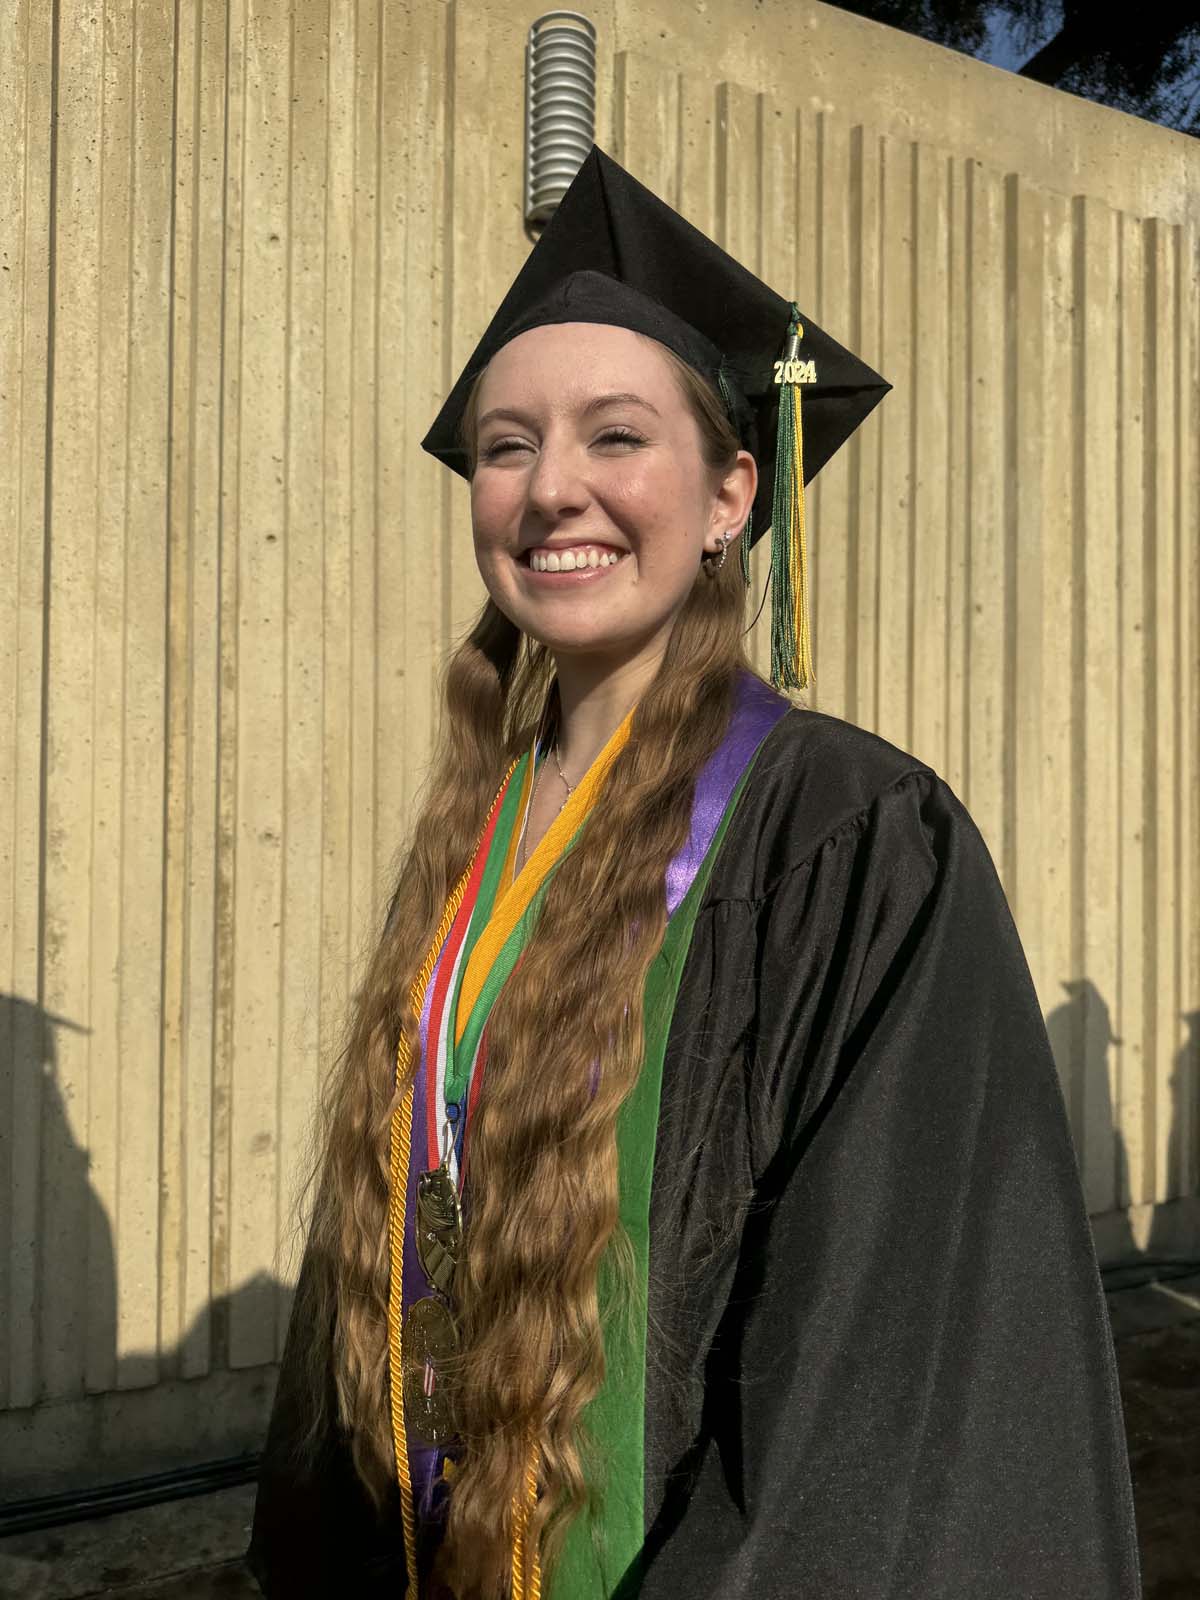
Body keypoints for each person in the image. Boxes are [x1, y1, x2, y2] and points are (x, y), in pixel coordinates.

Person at [248, 147, 1141, 1600]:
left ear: (734, 493)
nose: (552, 493)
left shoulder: (845, 833)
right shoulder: (473, 838)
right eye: (506, 446)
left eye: (615, 438)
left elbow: (890, 1354)